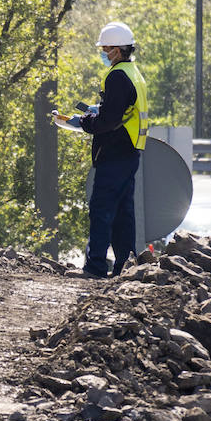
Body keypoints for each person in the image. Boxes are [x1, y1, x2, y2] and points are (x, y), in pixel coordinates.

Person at [78, 21, 148, 278]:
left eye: (106, 48)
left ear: (117, 50)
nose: (103, 53)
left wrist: (87, 122)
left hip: (115, 152)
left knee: (102, 209)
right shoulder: (133, 73)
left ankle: (95, 267)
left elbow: (109, 120)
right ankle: (124, 268)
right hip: (129, 151)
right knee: (122, 214)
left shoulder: (117, 75)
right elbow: (121, 112)